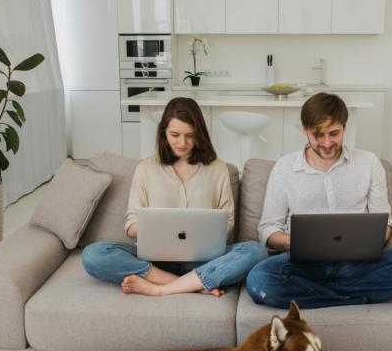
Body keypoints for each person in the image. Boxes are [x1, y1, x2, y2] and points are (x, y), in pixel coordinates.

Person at [245, 92, 392, 309]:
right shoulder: (284, 168)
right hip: (305, 267)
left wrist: (368, 240)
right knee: (259, 279)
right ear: (305, 131)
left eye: (334, 133)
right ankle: (361, 296)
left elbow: (386, 223)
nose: (327, 143)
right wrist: (295, 242)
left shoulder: (368, 163)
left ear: (345, 127)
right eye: (318, 135)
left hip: (360, 265)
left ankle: (322, 296)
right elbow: (267, 229)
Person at [82, 97, 268, 297]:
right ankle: (192, 284)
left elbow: (228, 223)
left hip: (204, 260)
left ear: (200, 135)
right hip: (155, 260)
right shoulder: (145, 169)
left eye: (190, 135)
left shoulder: (218, 168)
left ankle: (160, 288)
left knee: (256, 251)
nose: (182, 142)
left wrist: (201, 230)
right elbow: (131, 226)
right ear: (163, 133)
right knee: (93, 254)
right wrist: (162, 228)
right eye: (175, 135)